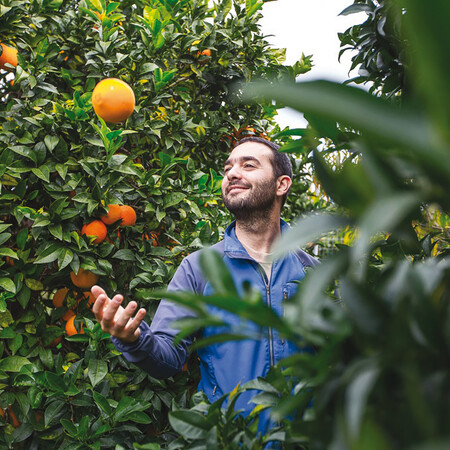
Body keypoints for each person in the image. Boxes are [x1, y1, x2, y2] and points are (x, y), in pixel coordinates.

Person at [91, 137, 319, 437]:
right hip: (230, 441)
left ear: (282, 184)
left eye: (248, 165)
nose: (232, 173)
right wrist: (134, 340)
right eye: (228, 168)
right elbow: (168, 359)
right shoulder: (199, 268)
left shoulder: (313, 273)